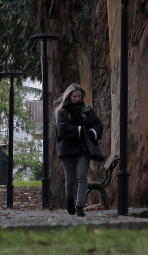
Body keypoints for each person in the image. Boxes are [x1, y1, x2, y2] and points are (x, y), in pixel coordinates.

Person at [55, 83, 103, 217]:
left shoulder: (87, 110)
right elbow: (61, 129)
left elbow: (98, 124)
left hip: (83, 148)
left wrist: (93, 132)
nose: (77, 98)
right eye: (74, 96)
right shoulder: (62, 112)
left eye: (79, 96)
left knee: (82, 176)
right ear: (69, 97)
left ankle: (80, 205)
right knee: (70, 180)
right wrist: (79, 130)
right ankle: (70, 199)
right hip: (67, 149)